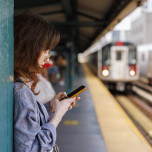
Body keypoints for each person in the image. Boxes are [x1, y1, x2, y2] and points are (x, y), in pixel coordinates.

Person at [14, 13, 79, 152]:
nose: (48, 56)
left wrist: (50, 107)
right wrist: (56, 117)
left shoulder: (18, 85)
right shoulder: (21, 92)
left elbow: (29, 120)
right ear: (29, 48)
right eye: (45, 50)